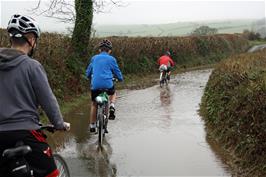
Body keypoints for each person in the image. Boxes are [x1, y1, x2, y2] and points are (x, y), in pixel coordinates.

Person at [0, 14, 70, 177]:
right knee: (51, 173)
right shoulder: (32, 66)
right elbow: (48, 100)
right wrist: (59, 123)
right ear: (31, 39)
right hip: (26, 133)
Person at [86, 39, 123, 133]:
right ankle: (111, 106)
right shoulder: (112, 59)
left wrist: (89, 76)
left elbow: (88, 72)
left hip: (95, 85)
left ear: (99, 50)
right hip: (108, 84)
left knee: (94, 104)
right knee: (112, 93)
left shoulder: (94, 58)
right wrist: (120, 78)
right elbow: (117, 71)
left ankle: (92, 125)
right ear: (109, 50)